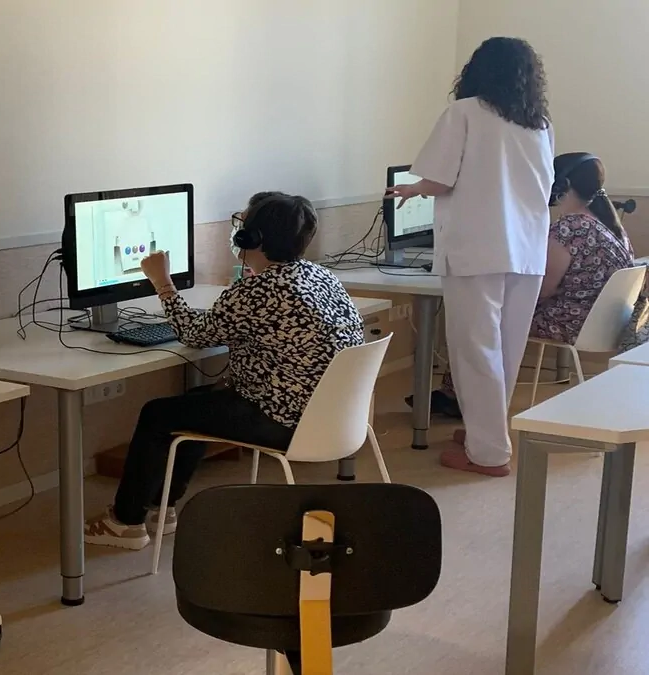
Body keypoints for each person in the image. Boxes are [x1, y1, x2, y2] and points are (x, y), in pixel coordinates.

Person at [83, 192, 365, 550]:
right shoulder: (320, 276)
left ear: (252, 238)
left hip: (283, 420)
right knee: (198, 403)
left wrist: (161, 281)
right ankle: (163, 507)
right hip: (334, 417)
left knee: (157, 414)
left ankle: (125, 523)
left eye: (241, 224)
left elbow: (195, 335)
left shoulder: (259, 290)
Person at [387, 37, 554, 477]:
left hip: (478, 248)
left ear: (478, 69)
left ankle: (489, 454)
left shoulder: (464, 112)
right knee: (505, 349)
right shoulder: (538, 124)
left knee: (475, 351)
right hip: (527, 250)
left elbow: (440, 180)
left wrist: (411, 188)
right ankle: (488, 434)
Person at [412, 153, 637, 419]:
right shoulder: (611, 226)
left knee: (480, 321)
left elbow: (543, 290)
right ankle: (463, 396)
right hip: (601, 323)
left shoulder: (569, 228)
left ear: (559, 186)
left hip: (572, 323)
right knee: (488, 314)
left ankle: (463, 399)